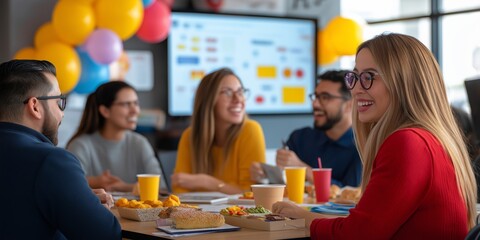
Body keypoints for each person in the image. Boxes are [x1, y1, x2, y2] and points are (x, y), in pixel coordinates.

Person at [272, 33, 477, 238]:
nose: (356, 90)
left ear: (403, 83)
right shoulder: (431, 139)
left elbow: (357, 235)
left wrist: (303, 218)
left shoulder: (407, 142)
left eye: (369, 77)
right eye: (355, 77)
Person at [0, 59, 121, 239]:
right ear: (35, 106)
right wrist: (92, 210)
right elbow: (106, 235)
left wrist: (81, 199)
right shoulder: (52, 161)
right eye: (59, 102)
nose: (62, 113)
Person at [250, 70, 362, 187]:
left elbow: (350, 193)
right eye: (315, 97)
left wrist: (301, 168)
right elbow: (284, 186)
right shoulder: (300, 138)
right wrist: (264, 177)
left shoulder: (362, 146)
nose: (315, 104)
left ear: (349, 105)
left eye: (325, 97)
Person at [171, 67, 266, 194]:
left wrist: (207, 182)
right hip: (198, 213)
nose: (238, 100)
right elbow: (179, 187)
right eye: (227, 92)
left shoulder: (250, 130)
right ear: (209, 100)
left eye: (240, 92)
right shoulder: (190, 136)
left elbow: (251, 193)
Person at [67, 81, 161, 192]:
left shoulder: (140, 142)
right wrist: (93, 182)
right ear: (105, 111)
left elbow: (161, 187)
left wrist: (123, 187)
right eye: (126, 104)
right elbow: (69, 186)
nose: (135, 110)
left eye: (136, 103)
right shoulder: (80, 145)